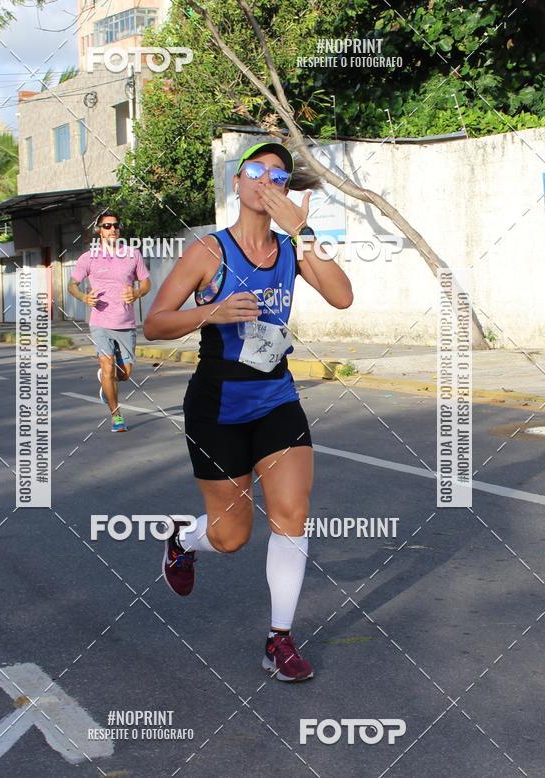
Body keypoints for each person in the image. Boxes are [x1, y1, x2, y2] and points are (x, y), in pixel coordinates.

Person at [144, 141, 353, 681]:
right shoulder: (209, 253)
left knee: (292, 513)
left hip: (276, 398)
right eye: (256, 171)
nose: (266, 179)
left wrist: (303, 235)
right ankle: (182, 540)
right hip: (217, 405)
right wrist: (211, 311)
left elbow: (342, 296)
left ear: (284, 191)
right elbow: (156, 322)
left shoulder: (293, 251)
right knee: (231, 537)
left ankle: (278, 639)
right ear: (238, 184)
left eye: (278, 175)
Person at [68, 210, 151, 432]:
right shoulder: (88, 258)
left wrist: (136, 293)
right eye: (107, 226)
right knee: (107, 368)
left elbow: (146, 283)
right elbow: (72, 285)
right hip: (100, 322)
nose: (112, 229)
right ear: (99, 231)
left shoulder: (132, 254)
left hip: (126, 323)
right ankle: (116, 416)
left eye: (115, 225)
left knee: (124, 374)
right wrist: (84, 297)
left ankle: (107, 388)